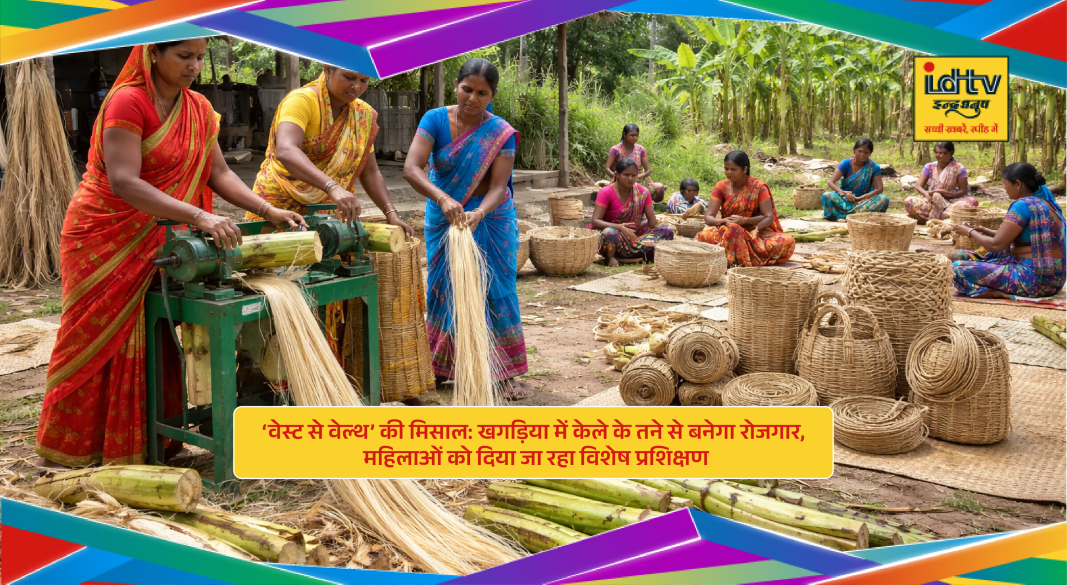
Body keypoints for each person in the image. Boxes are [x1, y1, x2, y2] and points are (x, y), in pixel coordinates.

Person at [35, 41, 307, 469]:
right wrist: (199, 216)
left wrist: (268, 210)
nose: (195, 66)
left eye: (199, 57)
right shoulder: (127, 101)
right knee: (93, 338)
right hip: (105, 235)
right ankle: (76, 448)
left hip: (161, 237)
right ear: (153, 55)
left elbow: (218, 172)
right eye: (184, 56)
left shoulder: (198, 108)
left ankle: (149, 443)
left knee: (156, 335)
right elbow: (124, 180)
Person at [403, 58, 530, 400]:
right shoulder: (435, 120)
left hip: (489, 218)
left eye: (482, 93)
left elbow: (498, 186)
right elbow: (412, 169)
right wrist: (444, 199)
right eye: (467, 89)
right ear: (456, 86)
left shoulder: (501, 133)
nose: (472, 98)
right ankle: (447, 366)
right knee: (446, 289)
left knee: (494, 288)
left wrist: (478, 213)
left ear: (493, 95)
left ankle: (503, 373)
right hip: (444, 217)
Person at [950, 162, 1065, 299]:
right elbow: (1021, 240)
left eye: (1005, 183)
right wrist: (986, 231)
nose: (1004, 188)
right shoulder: (1047, 204)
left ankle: (996, 292)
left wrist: (969, 232)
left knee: (956, 268)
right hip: (1055, 280)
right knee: (957, 255)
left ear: (1018, 184)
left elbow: (997, 245)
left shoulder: (1022, 205)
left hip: (1034, 280)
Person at [697, 150, 795, 266]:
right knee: (705, 236)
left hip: (756, 233)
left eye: (734, 169)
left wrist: (746, 221)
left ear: (745, 169)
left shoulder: (759, 187)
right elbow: (708, 217)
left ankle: (734, 257)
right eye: (726, 169)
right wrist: (724, 221)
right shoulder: (721, 187)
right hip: (728, 233)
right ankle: (740, 256)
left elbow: (768, 217)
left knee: (787, 241)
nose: (729, 173)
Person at [590, 158, 674, 267]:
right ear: (617, 174)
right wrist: (619, 227)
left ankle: (629, 257)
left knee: (667, 231)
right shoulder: (606, 192)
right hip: (615, 237)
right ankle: (613, 257)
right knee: (609, 233)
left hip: (634, 235)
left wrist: (656, 224)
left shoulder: (643, 192)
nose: (630, 178)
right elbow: (595, 221)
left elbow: (652, 222)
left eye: (634, 175)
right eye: (626, 175)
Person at [905, 141, 976, 224]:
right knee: (909, 201)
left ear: (951, 153)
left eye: (943, 153)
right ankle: (940, 218)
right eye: (937, 152)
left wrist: (947, 194)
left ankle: (940, 216)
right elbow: (919, 186)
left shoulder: (959, 168)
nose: (939, 156)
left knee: (972, 202)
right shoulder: (929, 167)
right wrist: (926, 194)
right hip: (931, 201)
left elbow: (963, 191)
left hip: (953, 201)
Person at [821, 138, 890, 221]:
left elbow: (879, 189)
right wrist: (842, 193)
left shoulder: (873, 168)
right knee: (827, 195)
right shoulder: (845, 163)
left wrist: (862, 197)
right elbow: (830, 182)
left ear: (870, 154)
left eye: (866, 152)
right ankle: (843, 215)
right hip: (845, 199)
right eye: (860, 151)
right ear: (854, 150)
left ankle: (846, 215)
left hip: (864, 201)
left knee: (883, 199)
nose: (862, 154)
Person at [605, 123, 664, 202]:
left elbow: (648, 170)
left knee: (659, 190)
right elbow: (607, 168)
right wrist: (617, 176)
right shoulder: (615, 149)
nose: (635, 138)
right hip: (620, 181)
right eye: (632, 135)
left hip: (637, 180)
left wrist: (639, 176)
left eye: (636, 135)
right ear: (624, 134)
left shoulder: (640, 149)